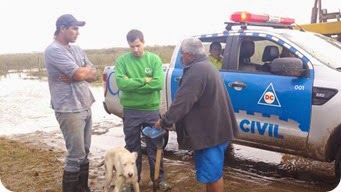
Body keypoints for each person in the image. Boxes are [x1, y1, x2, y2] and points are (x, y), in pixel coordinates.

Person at [155, 37, 239, 192]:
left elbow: (183, 102)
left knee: (213, 175)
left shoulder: (197, 71)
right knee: (211, 174)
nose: (181, 58)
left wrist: (164, 121)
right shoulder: (205, 66)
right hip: (214, 130)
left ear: (188, 55)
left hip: (211, 134)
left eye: (182, 54)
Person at [44, 14, 97, 192]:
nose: (77, 32)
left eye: (77, 28)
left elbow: (93, 73)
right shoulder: (53, 50)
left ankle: (83, 188)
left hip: (85, 104)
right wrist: (81, 74)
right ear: (62, 28)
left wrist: (79, 74)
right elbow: (82, 75)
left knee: (85, 151)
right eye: (74, 28)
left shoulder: (77, 49)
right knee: (76, 155)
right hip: (69, 109)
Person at [114, 29, 171, 191]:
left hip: (150, 110)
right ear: (128, 45)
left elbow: (158, 84)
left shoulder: (154, 60)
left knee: (155, 147)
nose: (136, 49)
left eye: (138, 45)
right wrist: (145, 81)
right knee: (132, 149)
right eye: (132, 46)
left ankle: (158, 180)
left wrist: (132, 83)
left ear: (143, 43)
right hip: (130, 111)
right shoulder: (122, 61)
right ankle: (131, 182)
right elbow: (121, 84)